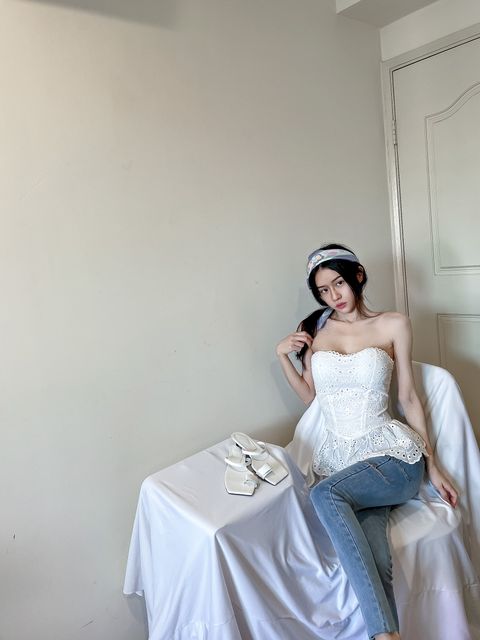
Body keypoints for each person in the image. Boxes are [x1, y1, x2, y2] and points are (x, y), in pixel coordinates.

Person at [276, 243, 458, 640]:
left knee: (324, 494)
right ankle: (387, 635)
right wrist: (282, 357)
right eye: (323, 290)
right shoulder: (316, 329)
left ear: (357, 276)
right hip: (344, 464)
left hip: (393, 458)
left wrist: (433, 465)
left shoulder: (393, 324)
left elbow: (408, 398)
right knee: (376, 558)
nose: (333, 296)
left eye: (338, 283)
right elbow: (310, 398)